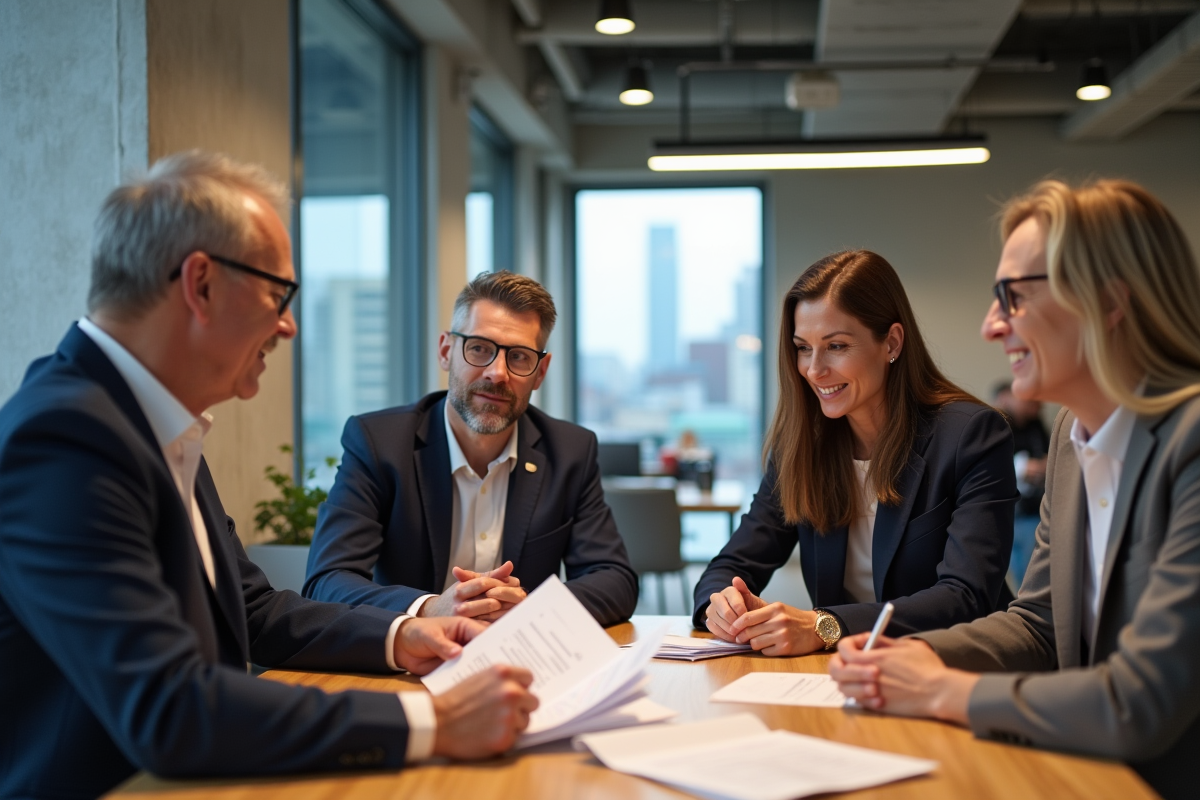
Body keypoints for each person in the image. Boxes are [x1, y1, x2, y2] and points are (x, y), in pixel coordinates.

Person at [0, 152, 538, 800]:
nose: (287, 324)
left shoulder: (148, 420)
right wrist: (434, 718)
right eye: (277, 293)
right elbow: (169, 708)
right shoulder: (65, 439)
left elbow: (250, 611)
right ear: (200, 285)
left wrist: (402, 635)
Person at [829, 179, 1200, 800]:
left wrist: (947, 690)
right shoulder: (1070, 439)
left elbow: (1142, 699)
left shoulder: (1190, 443)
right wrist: (916, 655)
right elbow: (1038, 626)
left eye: (1013, 298)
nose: (990, 327)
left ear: (1109, 301)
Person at [693, 250, 1017, 655]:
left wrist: (825, 626)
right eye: (803, 348)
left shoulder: (971, 435)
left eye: (836, 346)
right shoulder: (802, 445)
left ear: (892, 343)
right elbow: (731, 565)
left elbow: (966, 596)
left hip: (951, 669)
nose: (814, 369)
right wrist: (720, 604)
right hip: (843, 677)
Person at [304, 271, 638, 626]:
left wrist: (528, 609)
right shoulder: (379, 443)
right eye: (480, 348)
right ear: (447, 351)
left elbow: (615, 580)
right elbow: (327, 581)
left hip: (523, 662)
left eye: (520, 357)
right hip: (411, 664)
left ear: (540, 373)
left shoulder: (570, 450)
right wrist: (430, 609)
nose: (497, 373)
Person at [992, 380, 1049, 586]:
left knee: (1030, 575)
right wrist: (1023, 468)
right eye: (1030, 401)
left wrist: (1042, 465)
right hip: (1008, 512)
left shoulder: (1036, 426)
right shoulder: (997, 425)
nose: (1037, 405)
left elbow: (1049, 457)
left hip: (1034, 510)